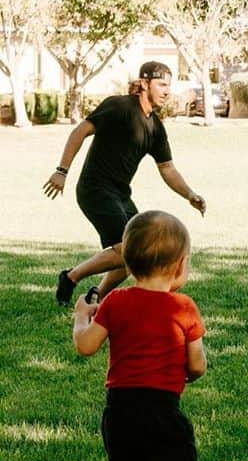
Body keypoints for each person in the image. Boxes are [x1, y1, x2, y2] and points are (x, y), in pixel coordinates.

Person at [72, 210, 207, 461]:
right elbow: (197, 364)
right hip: (163, 411)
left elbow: (86, 346)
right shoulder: (184, 308)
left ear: (129, 265)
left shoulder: (115, 301)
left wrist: (80, 319)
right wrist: (189, 373)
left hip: (120, 412)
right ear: (180, 266)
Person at [43, 61, 207, 306]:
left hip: (120, 194)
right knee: (127, 249)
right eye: (161, 84)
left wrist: (190, 194)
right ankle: (71, 277)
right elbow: (79, 132)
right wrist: (61, 171)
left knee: (139, 249)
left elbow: (167, 168)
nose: (166, 90)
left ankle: (99, 295)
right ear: (144, 83)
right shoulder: (118, 106)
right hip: (95, 189)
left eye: (168, 86)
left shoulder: (155, 127)